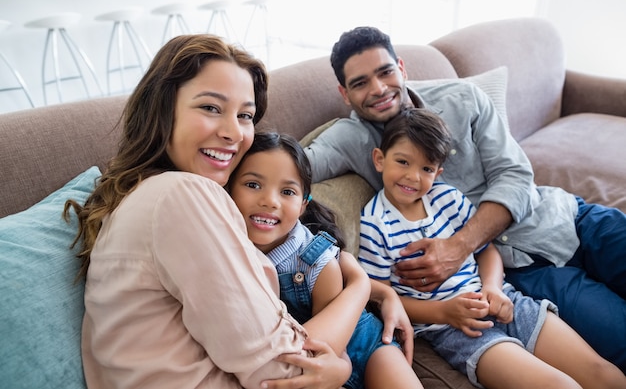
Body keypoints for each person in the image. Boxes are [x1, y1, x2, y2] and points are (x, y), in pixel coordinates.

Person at [62, 34, 406, 389]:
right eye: (211, 107)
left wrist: (377, 291)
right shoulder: (182, 195)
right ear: (163, 109)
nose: (233, 133)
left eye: (245, 115)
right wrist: (359, 290)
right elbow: (289, 369)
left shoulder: (144, 193)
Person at [303, 25, 626, 372]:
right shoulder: (350, 138)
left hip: (563, 215)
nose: (379, 88)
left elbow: (515, 174)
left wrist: (458, 247)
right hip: (525, 268)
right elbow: (297, 163)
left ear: (401, 67)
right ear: (344, 93)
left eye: (385, 72)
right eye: (360, 82)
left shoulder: (462, 98)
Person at [358, 107, 626, 388]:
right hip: (452, 329)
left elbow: (486, 250)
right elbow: (381, 297)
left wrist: (493, 287)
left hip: (502, 301)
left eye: (425, 168)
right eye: (403, 162)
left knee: (605, 375)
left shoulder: (448, 198)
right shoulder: (375, 224)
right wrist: (445, 312)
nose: (413, 177)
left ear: (438, 172)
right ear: (379, 159)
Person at [228, 131, 422, 389]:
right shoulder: (227, 250)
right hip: (321, 362)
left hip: (366, 345)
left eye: (287, 191)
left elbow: (328, 345)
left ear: (303, 205)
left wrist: (343, 367)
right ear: (228, 189)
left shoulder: (317, 263)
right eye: (253, 185)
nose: (269, 201)